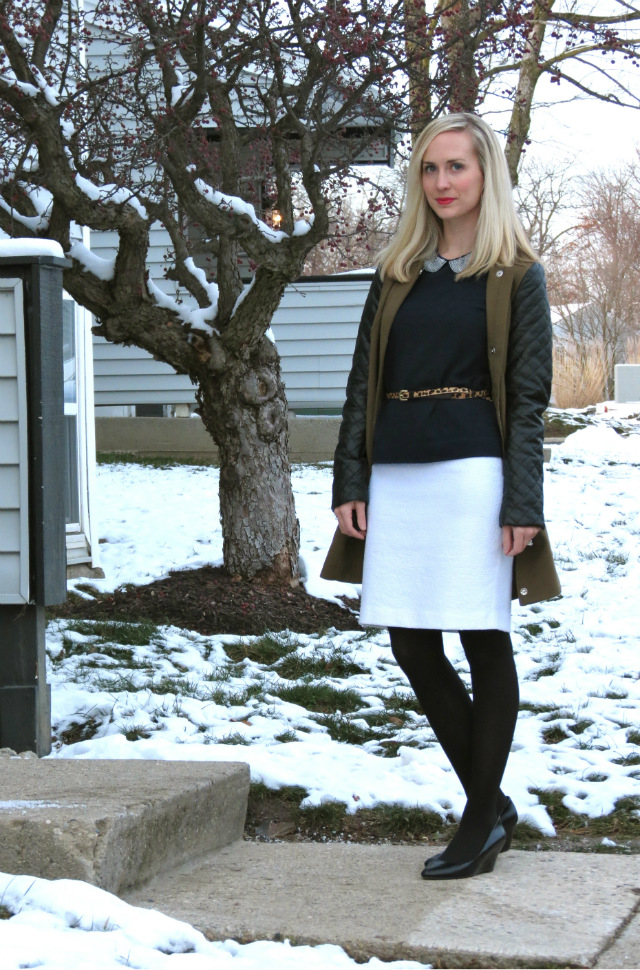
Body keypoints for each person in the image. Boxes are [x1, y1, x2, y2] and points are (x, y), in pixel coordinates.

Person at [321, 112, 561, 880]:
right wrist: (350, 481)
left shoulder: (517, 274)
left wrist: (523, 502)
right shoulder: (398, 274)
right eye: (429, 170)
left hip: (472, 480)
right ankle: (489, 802)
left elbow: (528, 399)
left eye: (456, 167)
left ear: (485, 174)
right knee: (409, 640)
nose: (442, 183)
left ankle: (479, 821)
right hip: (396, 474)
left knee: (479, 637)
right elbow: (362, 384)